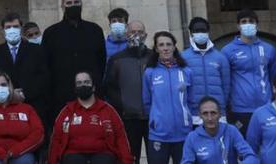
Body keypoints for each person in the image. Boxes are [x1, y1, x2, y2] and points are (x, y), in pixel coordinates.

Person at [43, 0, 106, 120]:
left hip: (91, 94)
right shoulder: (51, 33)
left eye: (76, 2)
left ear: (81, 3)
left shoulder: (94, 30)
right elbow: (46, 65)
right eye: (69, 3)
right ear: (62, 6)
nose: (73, 6)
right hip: (61, 96)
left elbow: (101, 62)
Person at [0, 13, 51, 128]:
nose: (12, 30)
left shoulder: (37, 51)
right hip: (3, 109)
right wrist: (9, 94)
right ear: (2, 30)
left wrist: (23, 94)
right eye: (8, 27)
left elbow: (44, 78)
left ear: (21, 29)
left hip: (33, 107)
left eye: (15, 27)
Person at [49, 69, 131, 164]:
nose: (83, 85)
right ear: (75, 88)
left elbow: (121, 138)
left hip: (103, 154)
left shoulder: (108, 110)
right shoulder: (66, 111)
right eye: (79, 83)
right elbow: (56, 140)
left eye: (86, 82)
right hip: (73, 155)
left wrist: (127, 161)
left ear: (93, 87)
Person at [103, 20, 151, 160]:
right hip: (128, 119)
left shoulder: (153, 57)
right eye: (132, 32)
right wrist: (122, 106)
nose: (136, 35)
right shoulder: (116, 59)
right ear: (126, 34)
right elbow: (109, 87)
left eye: (140, 32)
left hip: (151, 118)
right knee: (130, 158)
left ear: (145, 35)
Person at [221, 10, 274, 134]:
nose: (248, 24)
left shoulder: (268, 49)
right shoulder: (228, 51)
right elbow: (225, 81)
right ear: (238, 26)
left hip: (266, 107)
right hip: (240, 109)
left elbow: (274, 77)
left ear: (257, 25)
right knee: (243, 148)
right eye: (244, 22)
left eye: (251, 21)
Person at [143, 31, 192, 164]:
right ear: (156, 48)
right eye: (161, 45)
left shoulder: (186, 71)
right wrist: (156, 121)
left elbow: (191, 100)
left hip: (183, 134)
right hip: (159, 134)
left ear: (174, 47)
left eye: (169, 44)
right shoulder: (150, 72)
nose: (165, 48)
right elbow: (147, 102)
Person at [179, 97, 257, 164]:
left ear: (220, 114)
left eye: (213, 113)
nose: (210, 118)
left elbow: (250, 155)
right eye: (205, 113)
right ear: (200, 115)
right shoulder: (192, 137)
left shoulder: (231, 131)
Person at [182, 17, 229, 122]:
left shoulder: (220, 57)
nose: (200, 33)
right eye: (196, 31)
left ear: (208, 32)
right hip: (194, 114)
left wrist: (221, 106)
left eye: (203, 30)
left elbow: (226, 86)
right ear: (191, 33)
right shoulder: (183, 58)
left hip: (217, 113)